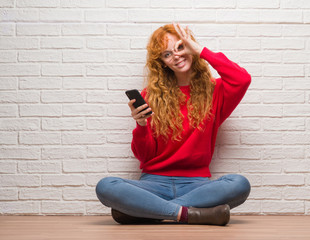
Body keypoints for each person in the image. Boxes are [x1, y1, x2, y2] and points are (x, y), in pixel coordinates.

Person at [95, 23, 252, 226]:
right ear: (162, 63)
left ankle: (148, 210)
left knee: (239, 184)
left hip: (196, 185)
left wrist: (201, 50)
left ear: (189, 46)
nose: (176, 56)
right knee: (106, 186)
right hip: (153, 182)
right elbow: (144, 156)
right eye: (167, 54)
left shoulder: (216, 91)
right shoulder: (150, 96)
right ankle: (187, 214)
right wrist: (141, 125)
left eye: (179, 47)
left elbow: (242, 79)